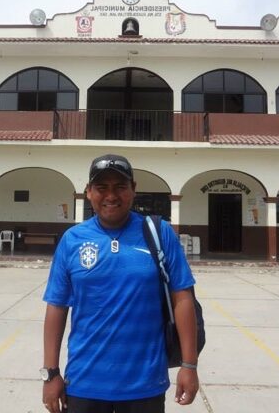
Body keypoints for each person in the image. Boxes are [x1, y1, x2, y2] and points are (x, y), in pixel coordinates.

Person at [42, 154, 199, 413]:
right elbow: (56, 307)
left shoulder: (160, 234)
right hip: (84, 382)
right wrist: (50, 373)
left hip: (145, 384)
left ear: (133, 190)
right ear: (89, 192)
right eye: (102, 188)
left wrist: (189, 365)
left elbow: (182, 299)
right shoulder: (72, 240)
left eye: (120, 187)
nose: (111, 196)